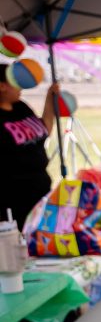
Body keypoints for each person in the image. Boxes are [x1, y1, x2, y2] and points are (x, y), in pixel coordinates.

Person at [0, 64, 58, 230]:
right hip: (14, 196)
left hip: (41, 188)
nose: (20, 85)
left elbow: (45, 129)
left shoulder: (21, 107)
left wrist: (49, 98)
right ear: (2, 86)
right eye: (14, 80)